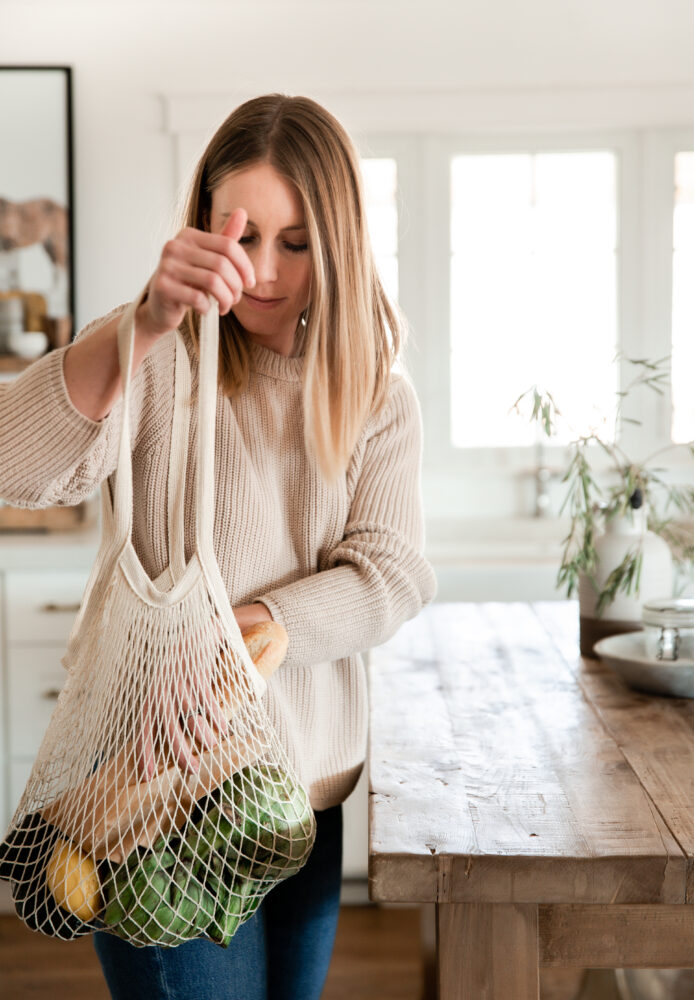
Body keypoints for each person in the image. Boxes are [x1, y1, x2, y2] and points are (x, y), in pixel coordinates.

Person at [0, 93, 437, 999]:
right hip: (154, 799)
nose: (264, 271)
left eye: (297, 242)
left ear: (342, 244)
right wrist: (145, 324)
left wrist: (260, 623)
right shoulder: (156, 354)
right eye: (241, 235)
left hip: (304, 797)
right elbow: (13, 465)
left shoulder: (377, 397)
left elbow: (390, 573)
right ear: (202, 230)